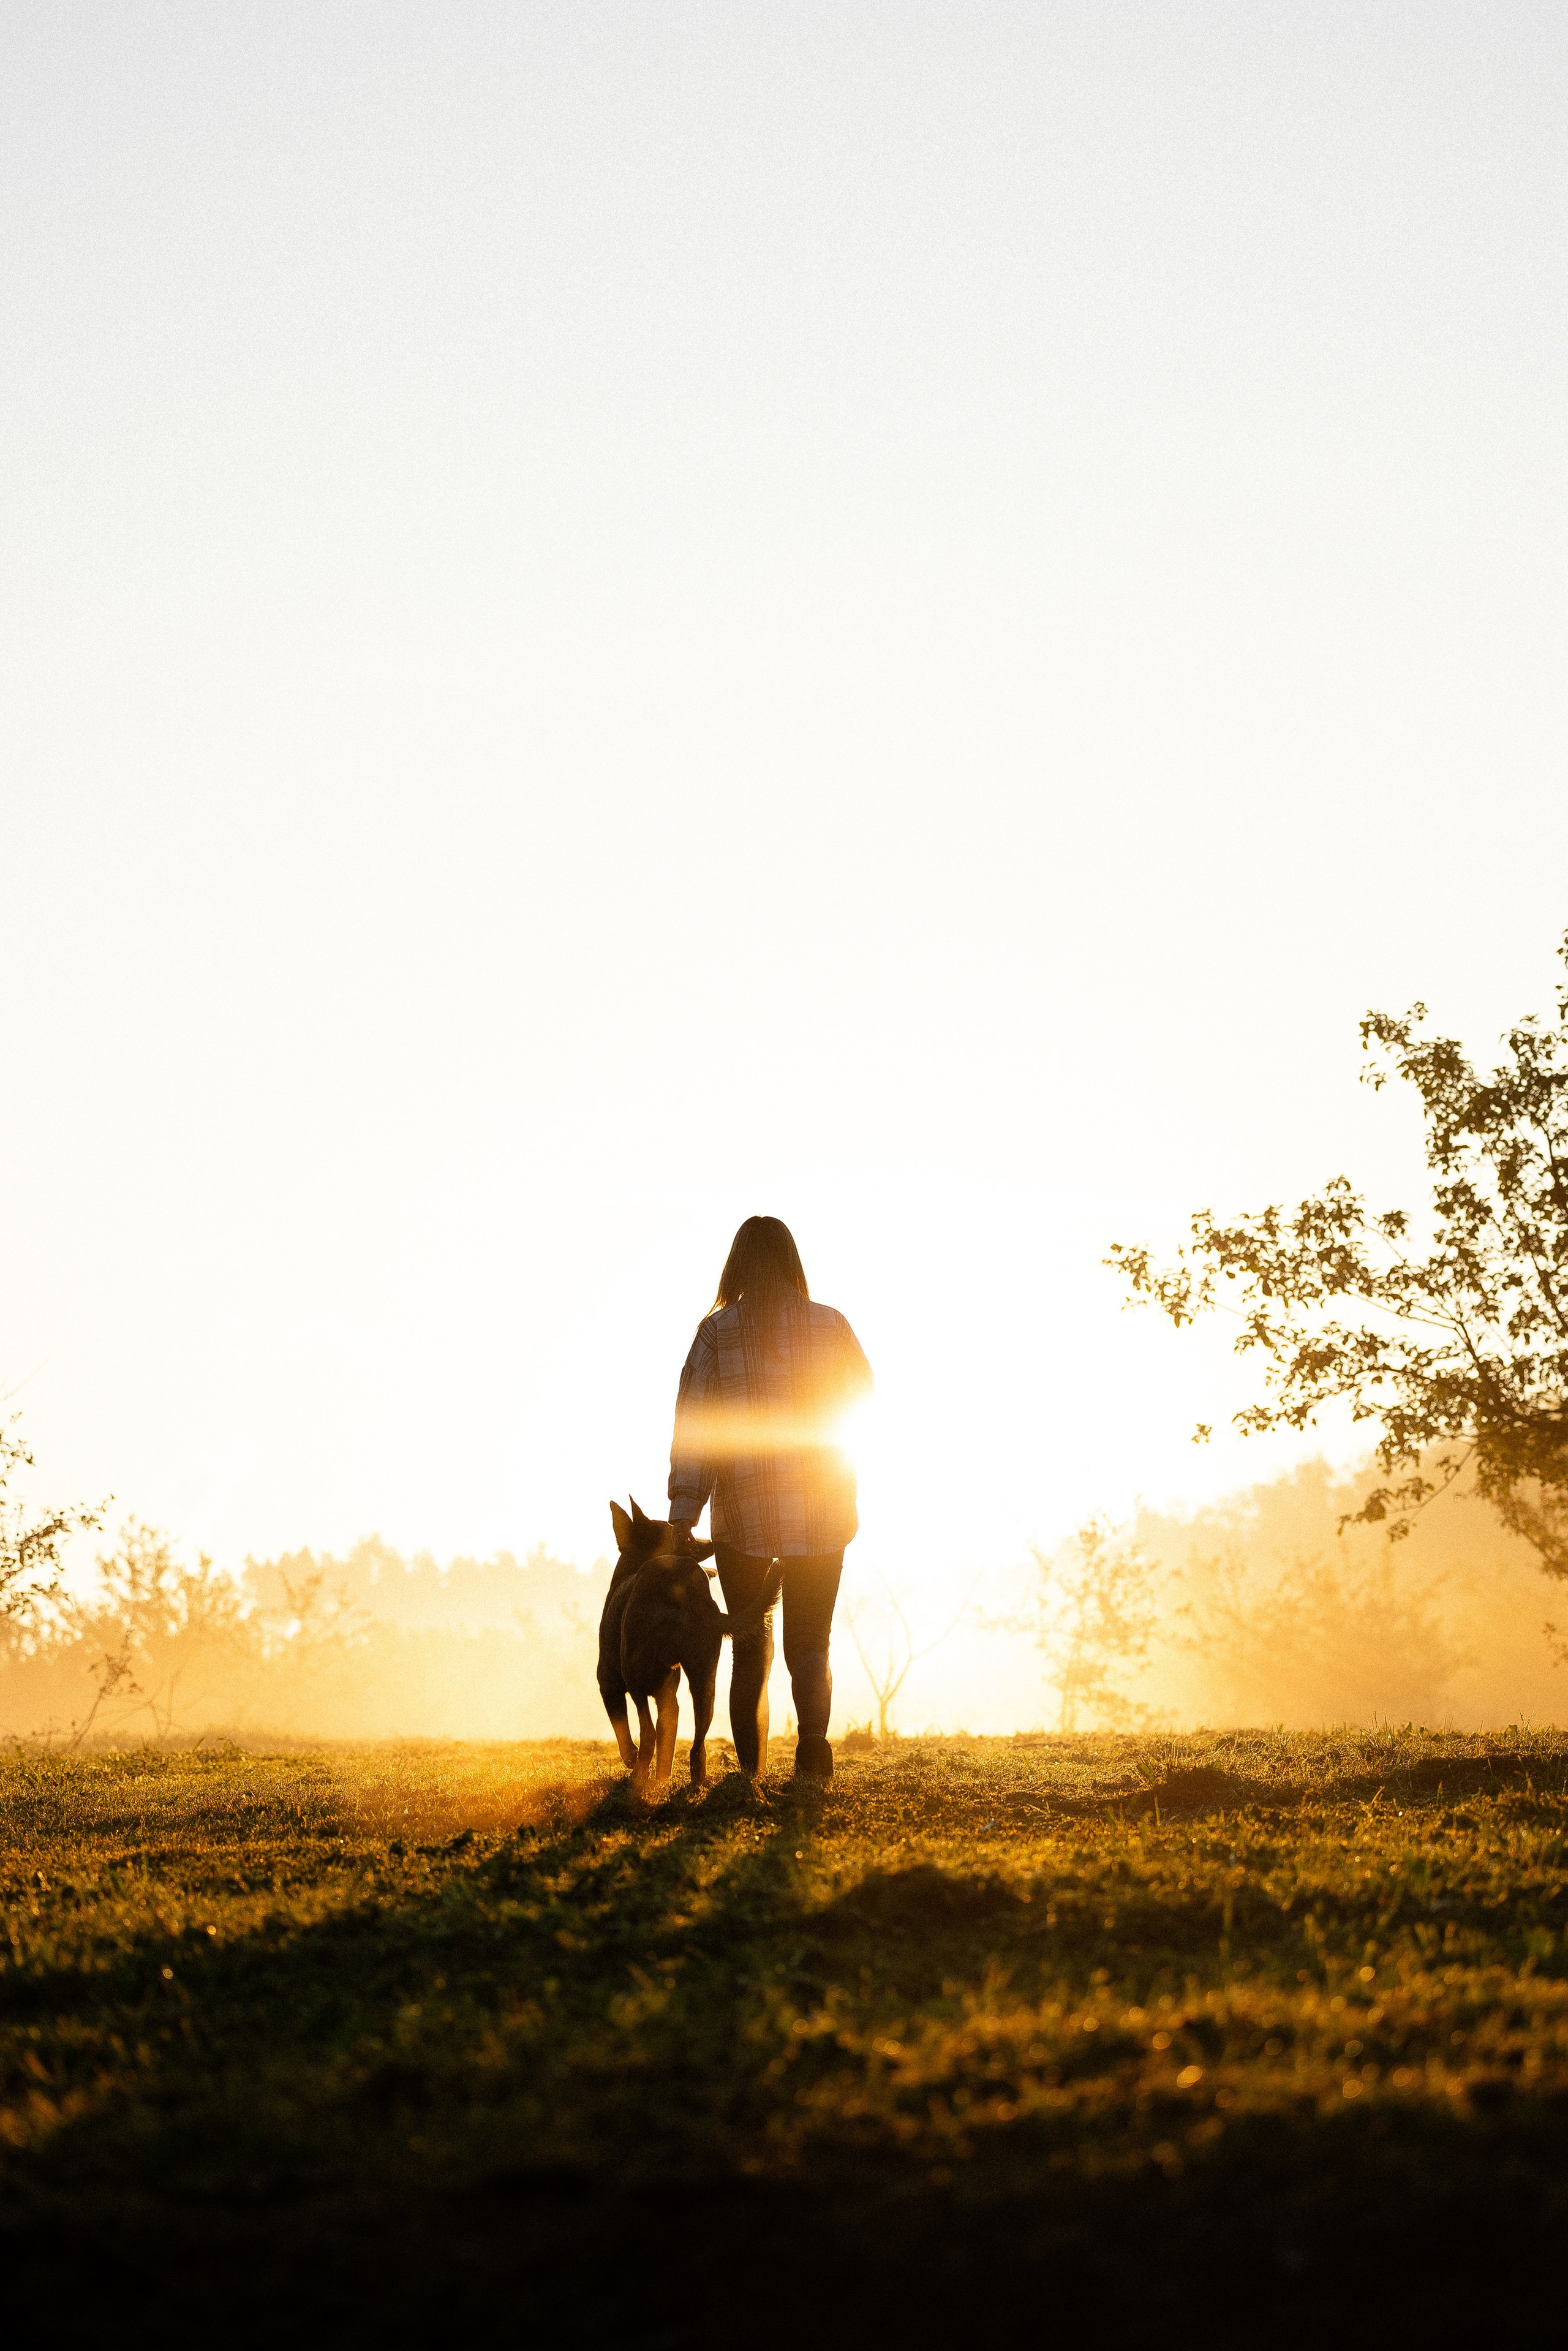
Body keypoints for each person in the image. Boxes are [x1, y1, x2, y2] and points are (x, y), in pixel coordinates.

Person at [668, 1215, 872, 1782]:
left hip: (743, 1517)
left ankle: (751, 1775)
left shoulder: (717, 1333)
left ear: (736, 1264)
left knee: (749, 1650)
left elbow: (696, 1428)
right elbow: (862, 1399)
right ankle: (813, 1755)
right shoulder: (831, 1326)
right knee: (811, 1643)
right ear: (791, 1262)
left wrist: (685, 1510)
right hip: (822, 1511)